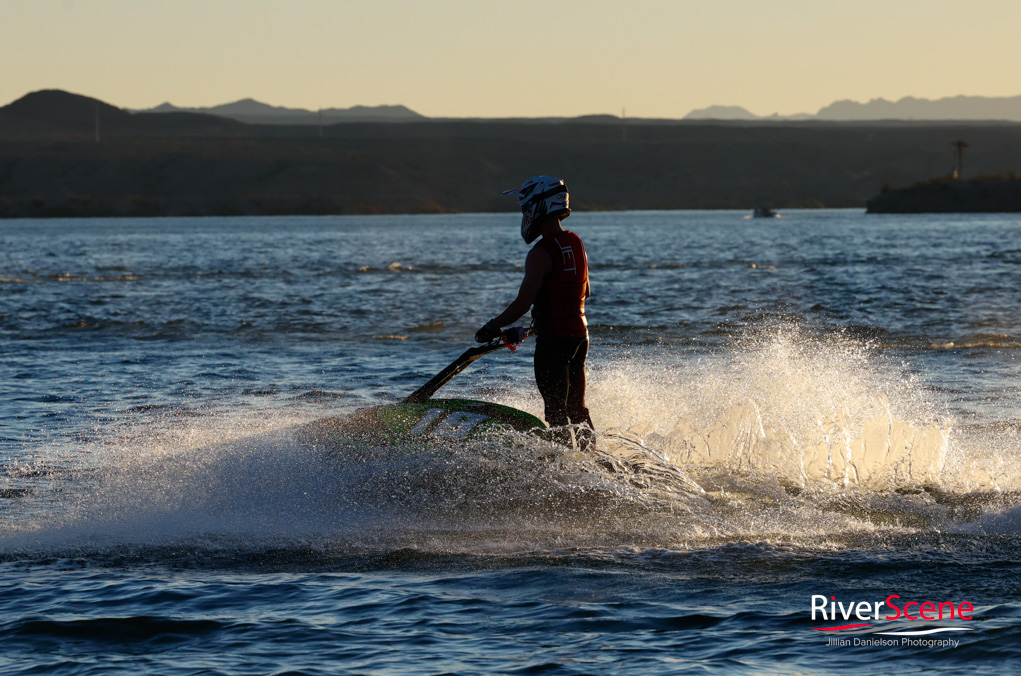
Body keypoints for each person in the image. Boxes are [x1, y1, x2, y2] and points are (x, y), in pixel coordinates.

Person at [475, 176, 596, 450]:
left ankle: (564, 464)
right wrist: (533, 326)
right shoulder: (576, 242)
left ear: (538, 207)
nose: (524, 214)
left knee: (555, 413)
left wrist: (491, 327)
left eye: (525, 207)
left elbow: (521, 304)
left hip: (553, 342)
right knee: (577, 409)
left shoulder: (540, 253)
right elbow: (583, 292)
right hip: (580, 338)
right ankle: (591, 457)